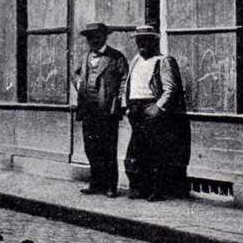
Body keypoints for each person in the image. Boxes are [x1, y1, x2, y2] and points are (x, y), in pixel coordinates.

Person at [122, 25, 188, 202]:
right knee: (137, 151)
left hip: (151, 108)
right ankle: (140, 188)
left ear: (154, 41)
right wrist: (127, 107)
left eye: (145, 40)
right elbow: (127, 84)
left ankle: (155, 190)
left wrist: (157, 108)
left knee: (155, 152)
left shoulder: (163, 61)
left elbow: (170, 89)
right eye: (139, 41)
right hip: (135, 109)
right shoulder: (135, 60)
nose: (141, 44)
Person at [73, 22, 128, 198]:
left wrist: (118, 101)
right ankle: (96, 183)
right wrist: (79, 83)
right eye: (90, 37)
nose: (93, 40)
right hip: (88, 109)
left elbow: (124, 80)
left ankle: (111, 186)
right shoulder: (85, 57)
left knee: (108, 149)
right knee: (91, 148)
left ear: (104, 36)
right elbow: (74, 74)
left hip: (107, 110)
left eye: (96, 36)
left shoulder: (115, 57)